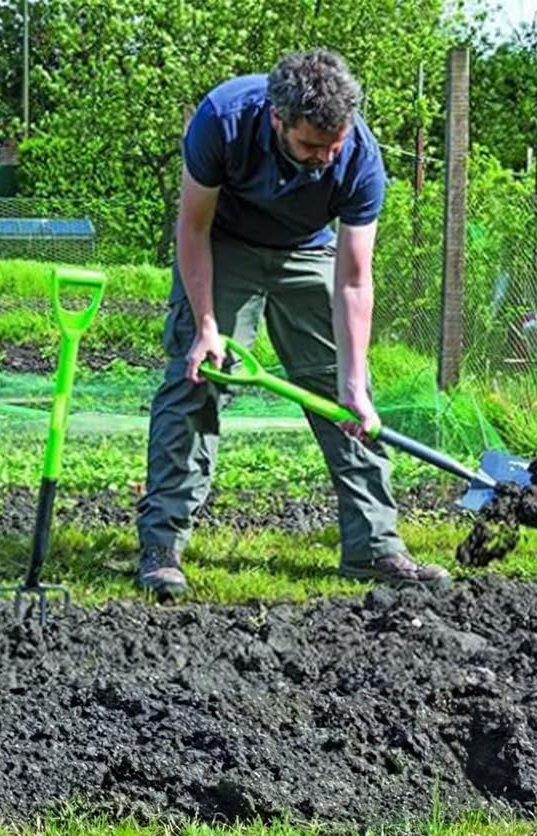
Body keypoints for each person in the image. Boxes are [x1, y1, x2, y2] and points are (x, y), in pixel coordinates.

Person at [136, 48, 450, 600]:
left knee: (347, 399)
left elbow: (353, 279)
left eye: (334, 145)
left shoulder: (358, 157)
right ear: (278, 119)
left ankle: (375, 547)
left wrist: (354, 382)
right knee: (198, 379)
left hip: (309, 251)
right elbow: (192, 229)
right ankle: (162, 545)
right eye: (311, 145)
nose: (326, 157)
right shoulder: (224, 119)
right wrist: (207, 324)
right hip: (224, 244)